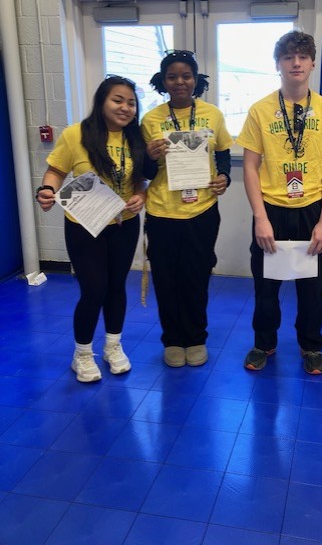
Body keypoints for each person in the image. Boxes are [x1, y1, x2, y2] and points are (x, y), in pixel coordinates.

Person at [236, 30, 322, 375]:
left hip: (312, 210)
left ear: (312, 63)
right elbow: (250, 167)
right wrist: (260, 217)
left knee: (312, 288)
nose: (295, 63)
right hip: (272, 209)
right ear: (278, 64)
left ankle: (311, 345)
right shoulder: (260, 110)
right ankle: (263, 342)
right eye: (288, 57)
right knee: (266, 286)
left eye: (302, 56)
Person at [36, 75, 149, 383]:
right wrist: (46, 189)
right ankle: (82, 355)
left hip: (124, 224)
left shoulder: (135, 137)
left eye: (131, 103)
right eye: (117, 100)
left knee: (116, 287)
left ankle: (113, 346)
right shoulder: (76, 134)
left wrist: (140, 195)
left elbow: (140, 179)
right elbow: (56, 170)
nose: (125, 108)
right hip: (85, 226)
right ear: (101, 102)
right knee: (94, 289)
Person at [142, 49, 233, 368]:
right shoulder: (150, 119)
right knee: (166, 279)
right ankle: (172, 340)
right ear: (163, 81)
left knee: (196, 277)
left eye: (186, 76)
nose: (179, 82)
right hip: (161, 212)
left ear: (196, 80)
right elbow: (144, 172)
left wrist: (225, 177)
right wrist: (150, 156)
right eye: (172, 77)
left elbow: (223, 153)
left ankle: (195, 338)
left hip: (202, 211)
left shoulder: (213, 114)